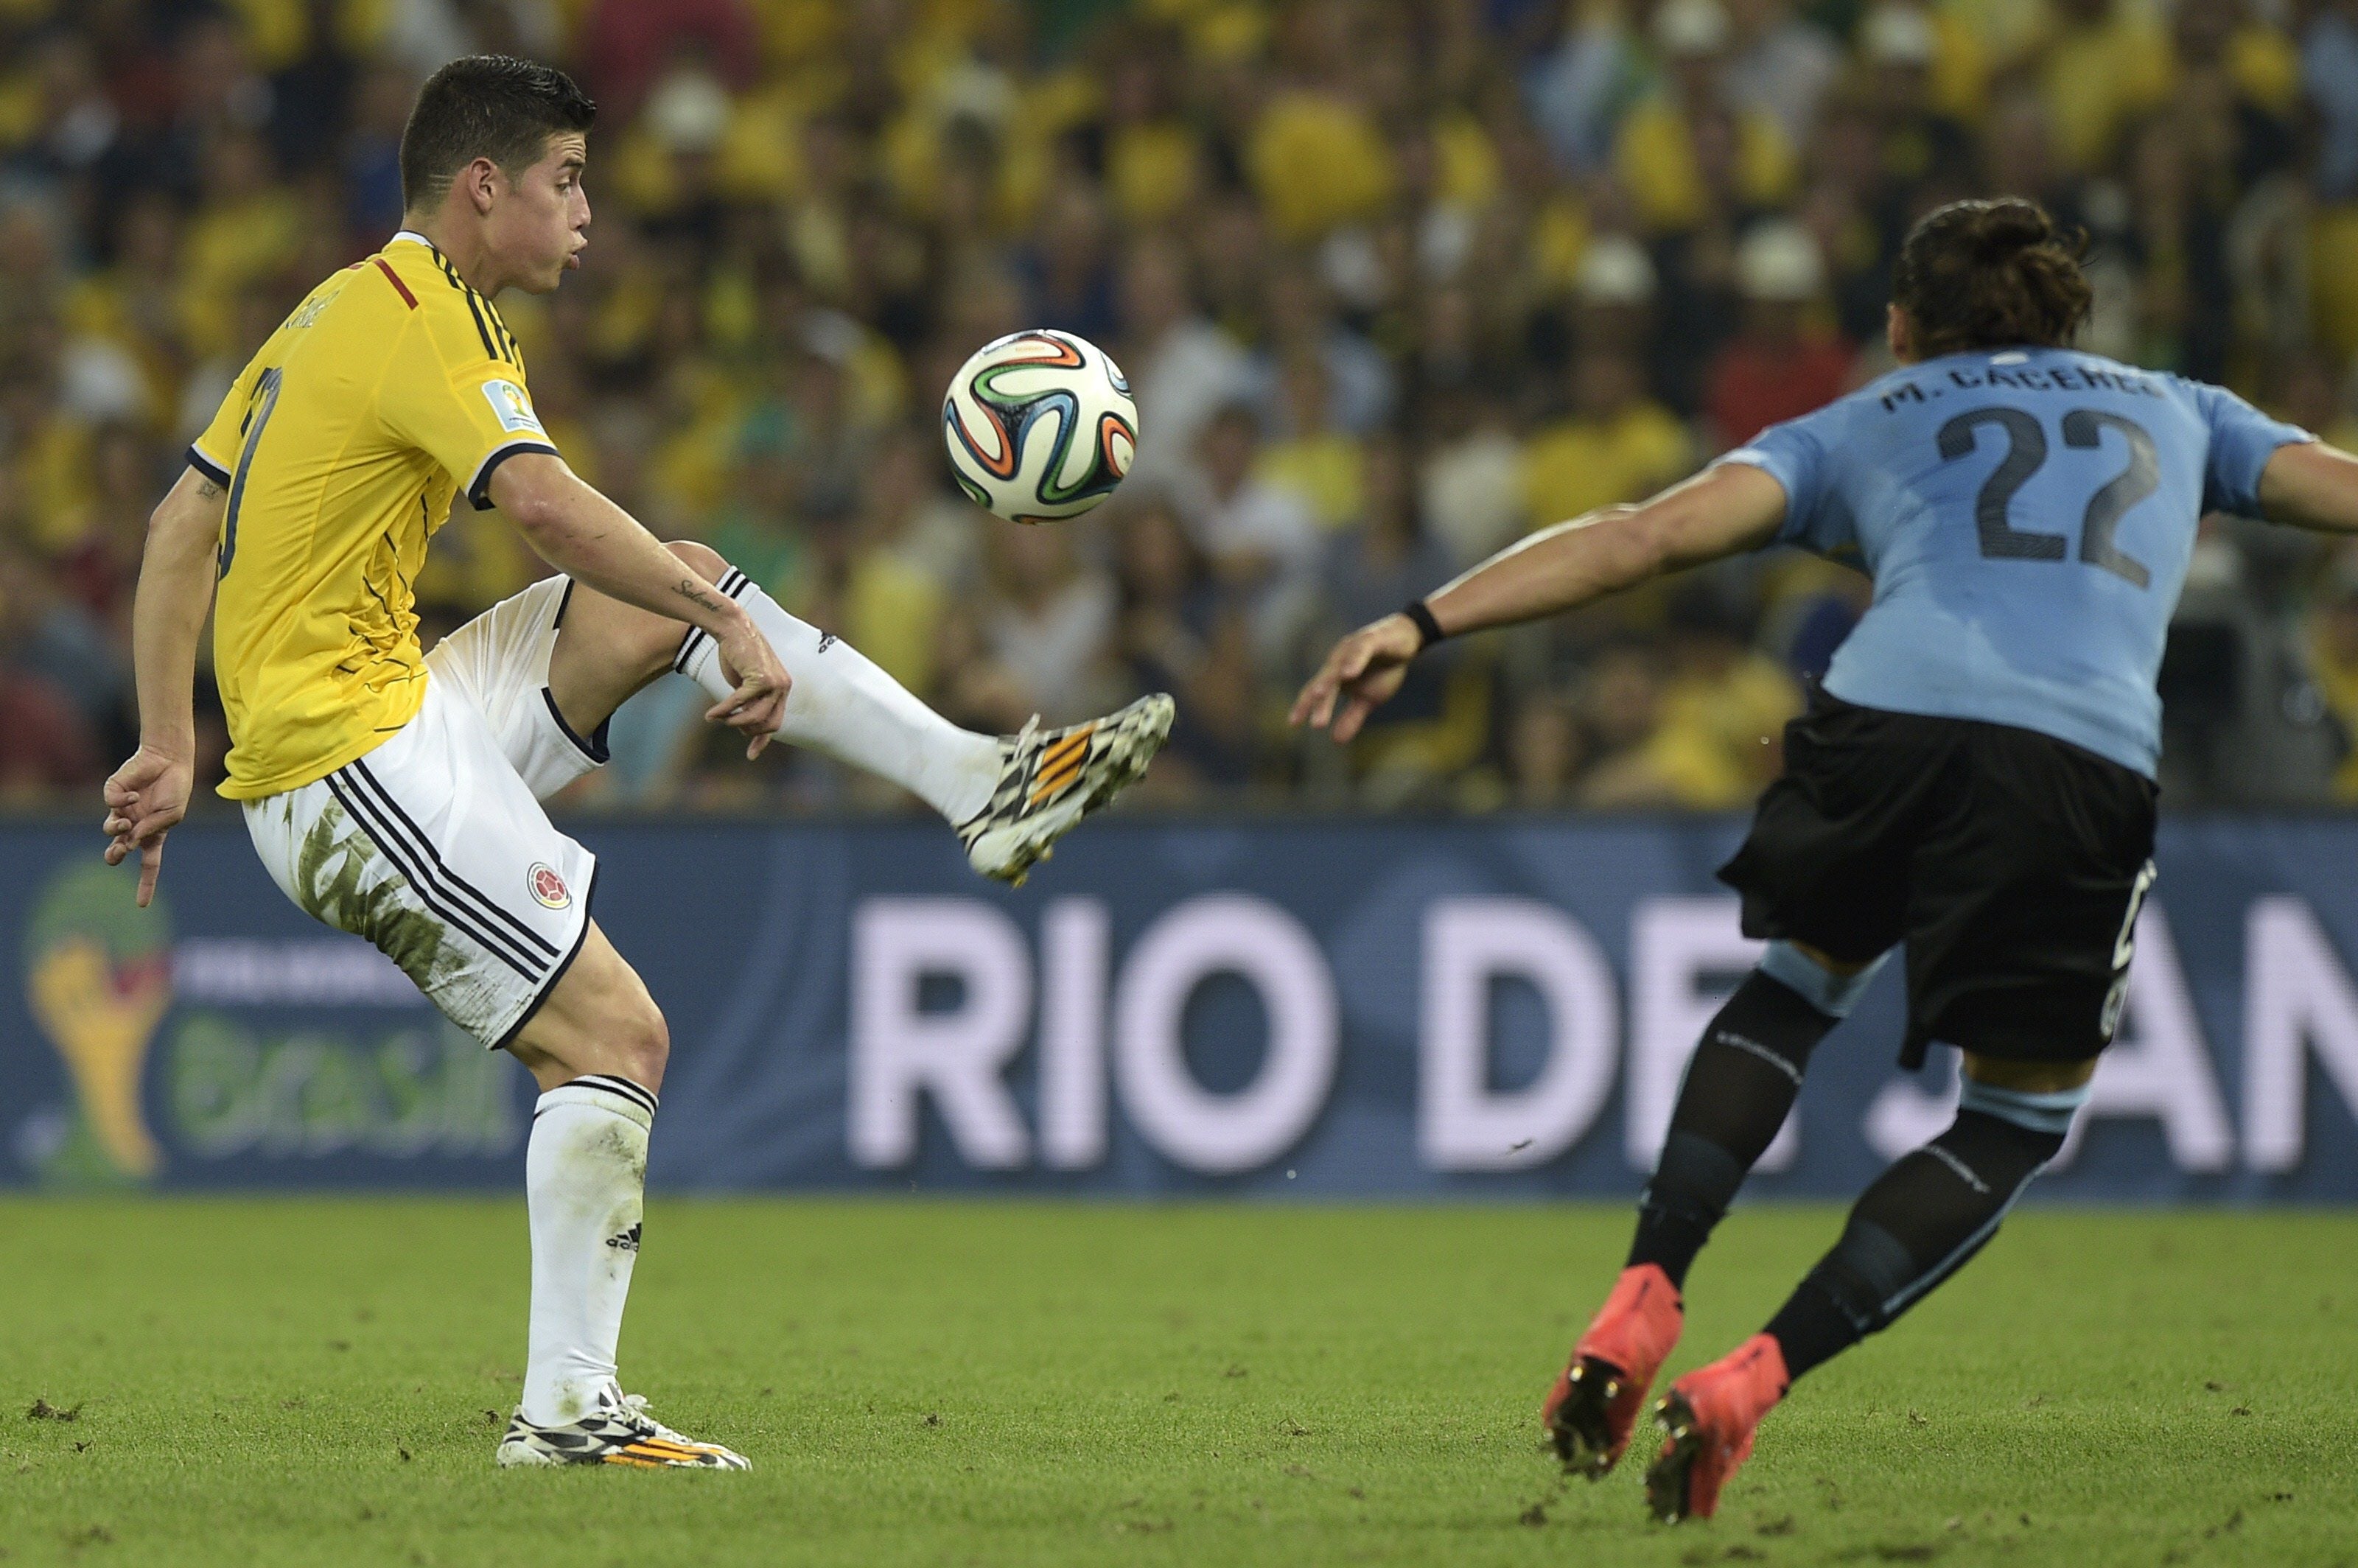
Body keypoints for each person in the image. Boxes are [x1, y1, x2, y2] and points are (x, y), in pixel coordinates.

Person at [99, 56, 1170, 1472]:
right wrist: (728, 624)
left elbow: (186, 521)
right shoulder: (426, 320)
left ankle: (982, 784)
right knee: (616, 1035)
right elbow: (537, 503)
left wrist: (171, 743)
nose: (588, 211)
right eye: (567, 179)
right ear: (485, 187)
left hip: (381, 716)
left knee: (665, 581)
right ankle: (568, 1413)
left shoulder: (335, 308)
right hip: (348, 762)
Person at [1292, 196, 2358, 1522]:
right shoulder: (2187, 409)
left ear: (1902, 326)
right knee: (2012, 1121)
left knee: (1794, 996)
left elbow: (1643, 536)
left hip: (1886, 715)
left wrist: (1421, 619)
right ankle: (1756, 1376)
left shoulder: (1865, 421)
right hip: (2073, 760)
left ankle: (1646, 1288)